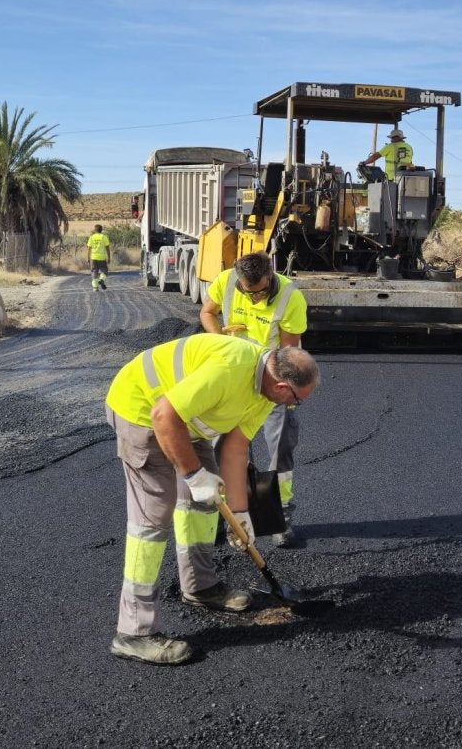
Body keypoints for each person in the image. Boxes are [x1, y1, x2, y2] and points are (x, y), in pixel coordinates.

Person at [105, 334, 320, 665]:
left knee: (206, 502)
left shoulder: (265, 392)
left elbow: (234, 448)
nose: (291, 406)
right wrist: (192, 475)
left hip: (188, 421)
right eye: (295, 400)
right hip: (143, 409)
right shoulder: (230, 369)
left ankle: (200, 587)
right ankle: (133, 632)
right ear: (281, 386)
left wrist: (240, 513)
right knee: (153, 516)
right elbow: (164, 415)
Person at [200, 251, 309, 546]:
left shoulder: (290, 297)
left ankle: (280, 518)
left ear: (269, 277)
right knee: (222, 448)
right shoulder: (226, 281)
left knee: (281, 446)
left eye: (260, 292)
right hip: (233, 381)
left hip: (272, 380)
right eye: (248, 293)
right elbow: (207, 312)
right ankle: (224, 518)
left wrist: (282, 390)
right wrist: (220, 341)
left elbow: (288, 353)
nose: (255, 299)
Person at [86, 224, 110, 290]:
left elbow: (89, 248)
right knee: (104, 271)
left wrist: (88, 258)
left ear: (95, 230)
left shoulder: (91, 237)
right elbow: (107, 248)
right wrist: (109, 257)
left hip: (93, 257)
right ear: (101, 230)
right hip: (102, 257)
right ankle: (102, 280)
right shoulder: (104, 237)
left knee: (94, 272)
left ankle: (95, 287)